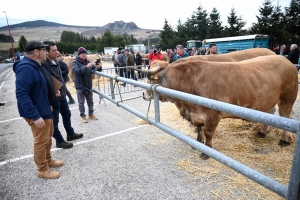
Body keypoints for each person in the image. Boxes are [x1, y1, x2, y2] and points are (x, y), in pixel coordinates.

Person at [13, 40, 63, 179]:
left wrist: (53, 91)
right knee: (41, 141)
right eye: (44, 50)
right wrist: (34, 115)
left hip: (45, 107)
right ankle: (42, 169)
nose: (46, 52)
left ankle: (48, 160)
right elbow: (22, 94)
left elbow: (40, 84)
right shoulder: (26, 68)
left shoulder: (36, 65)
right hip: (38, 111)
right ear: (36, 52)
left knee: (48, 137)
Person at [42, 41, 83, 149]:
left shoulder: (55, 61)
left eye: (56, 49)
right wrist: (53, 90)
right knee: (54, 121)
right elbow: (47, 80)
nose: (56, 52)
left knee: (67, 114)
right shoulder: (44, 64)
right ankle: (59, 141)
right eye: (53, 50)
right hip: (54, 97)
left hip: (62, 95)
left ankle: (70, 134)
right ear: (46, 52)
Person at [72, 47, 99, 123]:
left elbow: (94, 68)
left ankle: (91, 114)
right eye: (82, 53)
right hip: (80, 86)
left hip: (88, 85)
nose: (84, 55)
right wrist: (86, 67)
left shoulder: (88, 61)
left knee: (90, 101)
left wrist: (97, 67)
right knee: (81, 102)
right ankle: (83, 116)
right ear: (79, 54)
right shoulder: (75, 62)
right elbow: (77, 71)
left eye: (85, 53)